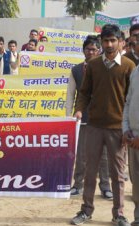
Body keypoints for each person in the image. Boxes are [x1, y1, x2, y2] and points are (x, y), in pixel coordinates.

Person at [70, 24, 135, 226]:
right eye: (105, 41)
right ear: (101, 42)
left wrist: (129, 127)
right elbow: (84, 93)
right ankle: (86, 211)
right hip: (94, 126)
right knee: (90, 171)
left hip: (118, 129)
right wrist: (79, 109)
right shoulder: (94, 65)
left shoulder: (128, 66)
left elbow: (131, 100)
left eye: (112, 40)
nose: (108, 44)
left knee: (118, 175)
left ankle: (119, 214)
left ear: (120, 42)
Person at [66, 35, 112, 199]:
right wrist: (68, 117)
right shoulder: (76, 70)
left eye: (94, 49)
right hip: (82, 118)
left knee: (104, 157)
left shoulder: (107, 68)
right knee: (81, 156)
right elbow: (71, 95)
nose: (91, 52)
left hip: (103, 119)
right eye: (88, 49)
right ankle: (78, 185)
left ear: (99, 50)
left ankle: (106, 187)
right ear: (83, 50)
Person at [122, 34, 139, 226]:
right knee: (136, 184)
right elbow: (127, 104)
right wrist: (126, 130)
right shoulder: (135, 72)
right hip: (133, 139)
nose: (134, 44)